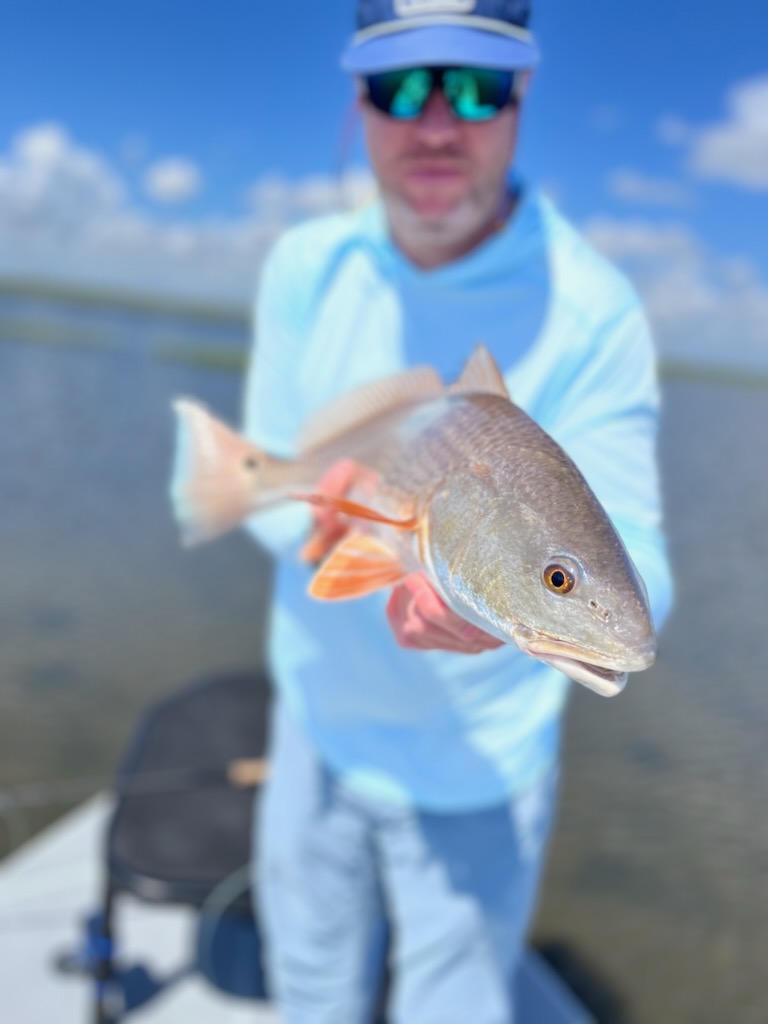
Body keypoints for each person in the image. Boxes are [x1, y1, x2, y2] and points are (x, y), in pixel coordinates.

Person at [242, 2, 673, 1022]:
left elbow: (639, 566)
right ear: (359, 102)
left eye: (476, 87)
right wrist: (334, 519)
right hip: (313, 721)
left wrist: (531, 591)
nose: (437, 122)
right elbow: (266, 488)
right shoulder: (307, 265)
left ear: (523, 98)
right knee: (309, 988)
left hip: (483, 770)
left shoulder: (596, 308)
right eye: (400, 87)